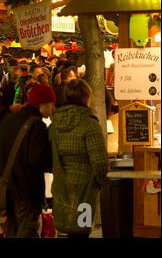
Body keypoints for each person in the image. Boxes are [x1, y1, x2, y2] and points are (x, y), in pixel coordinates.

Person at [0, 83, 55, 238]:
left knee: (12, 227)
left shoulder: (8, 120)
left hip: (6, 186)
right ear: (42, 103)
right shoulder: (37, 125)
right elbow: (37, 159)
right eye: (51, 104)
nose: (52, 109)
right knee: (28, 228)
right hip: (27, 189)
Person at [48, 79, 109, 238]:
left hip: (61, 185)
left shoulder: (54, 124)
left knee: (66, 228)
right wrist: (101, 183)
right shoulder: (89, 124)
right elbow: (100, 162)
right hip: (85, 189)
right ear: (86, 97)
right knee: (83, 230)